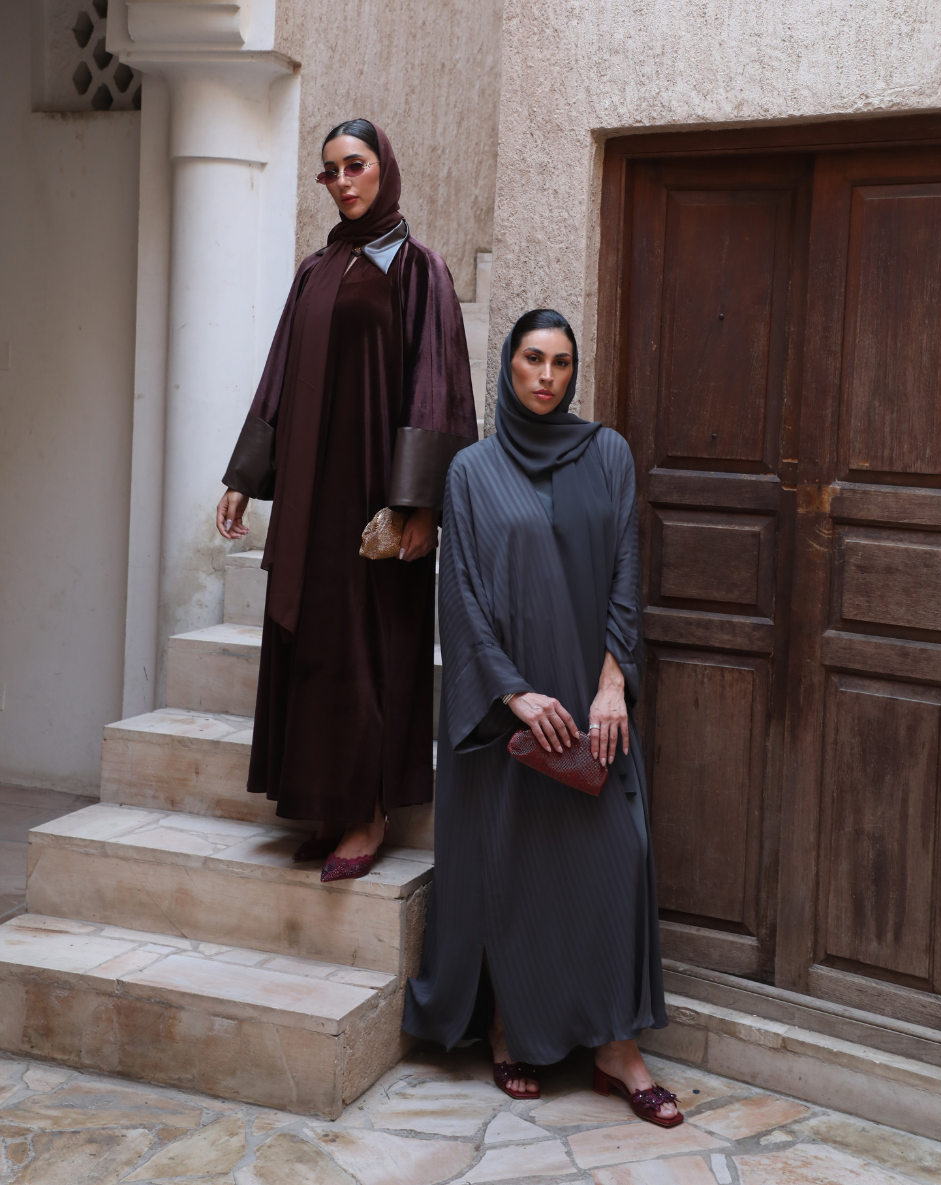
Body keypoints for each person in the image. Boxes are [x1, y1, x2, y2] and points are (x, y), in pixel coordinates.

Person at [402, 309, 681, 1126]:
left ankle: (617, 1048)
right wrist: (513, 693)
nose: (546, 377)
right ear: (508, 364)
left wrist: (612, 682)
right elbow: (459, 595)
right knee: (511, 871)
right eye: (532, 359)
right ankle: (505, 1027)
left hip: (592, 709)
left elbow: (625, 569)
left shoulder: (607, 452)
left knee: (620, 855)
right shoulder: (471, 470)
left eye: (560, 362)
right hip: (511, 718)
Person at [216, 119, 477, 881]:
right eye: (329, 171)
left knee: (368, 649)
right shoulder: (315, 269)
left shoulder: (419, 269)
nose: (342, 182)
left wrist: (420, 505)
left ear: (382, 167)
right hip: (311, 492)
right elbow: (279, 373)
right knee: (315, 647)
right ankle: (325, 803)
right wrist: (243, 475)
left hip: (374, 496)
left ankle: (368, 813)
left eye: (354, 165)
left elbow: (436, 385)